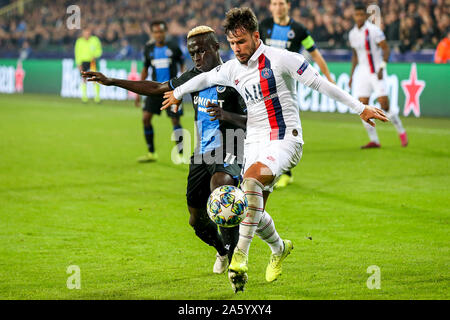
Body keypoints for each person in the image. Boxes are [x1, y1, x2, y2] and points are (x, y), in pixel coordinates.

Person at [162, 7, 389, 292]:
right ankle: (280, 248)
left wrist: (360, 108)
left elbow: (321, 84)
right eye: (232, 43)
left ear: (256, 36)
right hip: (254, 142)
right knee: (250, 210)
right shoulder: (233, 68)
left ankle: (240, 258)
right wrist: (178, 92)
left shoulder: (283, 59)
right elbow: (204, 79)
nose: (237, 49)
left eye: (242, 42)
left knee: (252, 181)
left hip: (285, 139)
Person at [83, 26, 283, 275]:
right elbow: (158, 88)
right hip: (202, 152)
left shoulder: (237, 77)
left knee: (221, 189)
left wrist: (226, 115)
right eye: (193, 54)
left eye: (201, 52)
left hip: (232, 144)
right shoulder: (193, 77)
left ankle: (235, 263)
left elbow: (257, 120)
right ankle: (221, 250)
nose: (197, 58)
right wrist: (112, 81)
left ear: (216, 47)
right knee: (196, 221)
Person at [259, 0, 335, 188]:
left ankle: (285, 172)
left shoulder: (299, 30)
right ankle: (269, 166)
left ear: (287, 6)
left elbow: (315, 54)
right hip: (263, 82)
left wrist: (328, 78)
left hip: (286, 85)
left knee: (283, 126)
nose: (278, 7)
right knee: (264, 126)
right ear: (271, 7)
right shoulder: (263, 27)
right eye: (275, 3)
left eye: (281, 3)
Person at [349, 2, 408, 148]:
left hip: (376, 71)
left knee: (384, 105)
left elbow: (386, 49)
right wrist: (352, 76)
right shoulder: (352, 34)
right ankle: (374, 140)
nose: (359, 17)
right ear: (354, 16)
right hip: (362, 72)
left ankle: (401, 130)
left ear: (366, 15)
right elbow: (355, 55)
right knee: (363, 107)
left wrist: (382, 66)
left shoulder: (374, 31)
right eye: (357, 15)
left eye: (362, 14)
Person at [135, 21, 185, 163]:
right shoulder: (148, 49)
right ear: (152, 33)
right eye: (156, 32)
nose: (158, 34)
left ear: (165, 32)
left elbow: (182, 65)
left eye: (161, 32)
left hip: (171, 90)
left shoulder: (174, 48)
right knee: (145, 118)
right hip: (155, 90)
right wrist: (138, 92)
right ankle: (151, 153)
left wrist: (183, 85)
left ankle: (181, 154)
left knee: (175, 120)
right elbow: (145, 70)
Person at [74, 28, 102, 103]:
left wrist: (95, 55)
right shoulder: (79, 41)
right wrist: (78, 63)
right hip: (83, 62)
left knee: (95, 78)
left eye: (88, 33)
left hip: (93, 61)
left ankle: (97, 98)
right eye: (85, 33)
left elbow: (99, 50)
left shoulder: (95, 40)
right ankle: (84, 97)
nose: (87, 35)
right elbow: (77, 53)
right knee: (83, 78)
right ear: (83, 34)